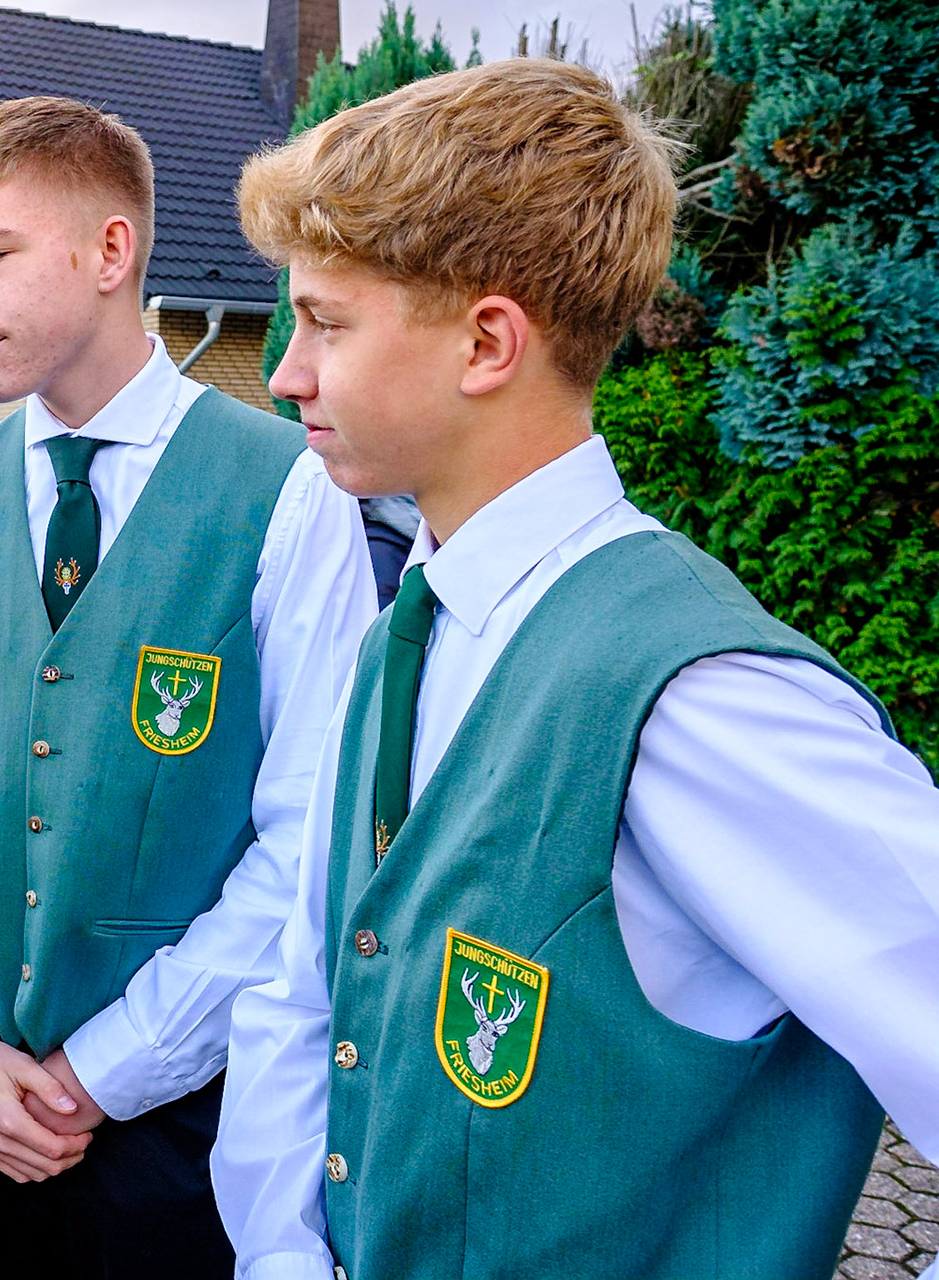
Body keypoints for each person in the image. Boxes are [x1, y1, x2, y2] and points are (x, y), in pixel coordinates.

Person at [211, 60, 939, 1280]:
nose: (286, 371)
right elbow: (304, 996)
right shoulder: (406, 621)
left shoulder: (699, 697)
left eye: (327, 322)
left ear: (488, 342)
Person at [0, 97, 376, 1280]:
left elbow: (315, 840)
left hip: (190, 1136)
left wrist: (107, 1069)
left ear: (109, 253)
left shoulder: (290, 491)